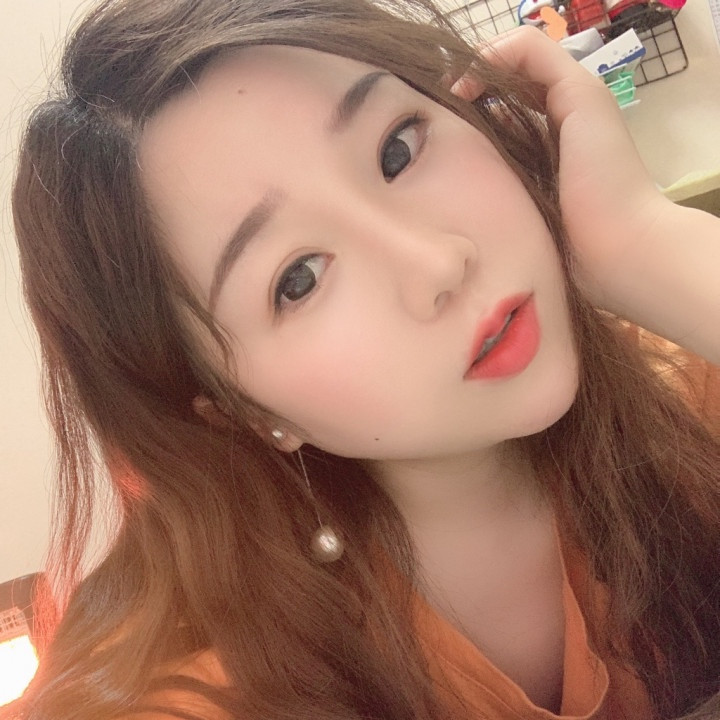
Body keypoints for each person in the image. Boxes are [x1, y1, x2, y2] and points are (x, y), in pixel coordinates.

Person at [8, 0, 720, 718]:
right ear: (234, 409)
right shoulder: (191, 690)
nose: (438, 263)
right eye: (298, 280)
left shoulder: (676, 393)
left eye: (397, 151)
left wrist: (647, 244)